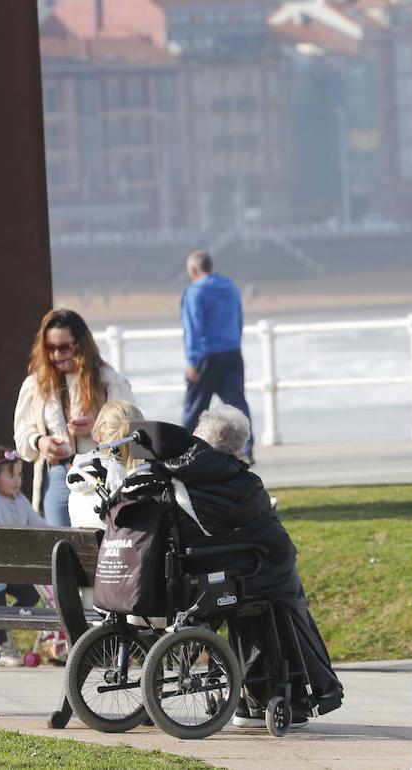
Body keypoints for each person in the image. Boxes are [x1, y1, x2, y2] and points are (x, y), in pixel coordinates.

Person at [160, 405, 343, 725]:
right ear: (238, 448)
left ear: (197, 435)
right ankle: (291, 691)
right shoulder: (241, 480)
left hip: (198, 566)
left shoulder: (173, 470)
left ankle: (256, 693)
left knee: (275, 580)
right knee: (285, 587)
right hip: (238, 569)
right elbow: (273, 537)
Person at [14, 308, 133, 527]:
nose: (57, 355)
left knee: (96, 543)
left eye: (64, 348)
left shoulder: (107, 380)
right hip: (57, 476)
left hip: (99, 476)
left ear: (80, 345)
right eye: (50, 348)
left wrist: (95, 429)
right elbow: (22, 433)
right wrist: (40, 442)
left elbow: (130, 428)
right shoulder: (36, 384)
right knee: (59, 548)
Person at [0, 445, 48, 666]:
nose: (17, 481)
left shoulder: (20, 500)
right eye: (10, 475)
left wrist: (57, 533)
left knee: (31, 596)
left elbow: (39, 524)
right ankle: (3, 647)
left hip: (10, 566)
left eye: (19, 475)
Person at [181, 250, 254, 464]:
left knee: (194, 407)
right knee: (238, 404)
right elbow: (239, 319)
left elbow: (193, 327)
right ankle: (247, 449)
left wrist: (193, 360)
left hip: (206, 355)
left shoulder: (195, 292)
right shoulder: (230, 287)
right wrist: (235, 343)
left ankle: (182, 450)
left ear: (193, 270)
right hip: (232, 352)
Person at [65, 400, 144, 530]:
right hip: (118, 547)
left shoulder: (79, 471)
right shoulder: (135, 480)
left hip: (83, 548)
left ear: (100, 437)